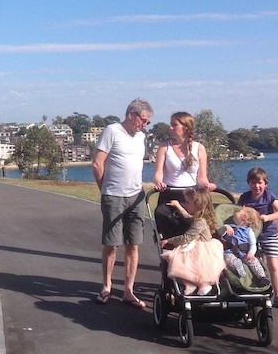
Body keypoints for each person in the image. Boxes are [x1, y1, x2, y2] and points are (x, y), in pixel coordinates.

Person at [91, 98, 152, 307]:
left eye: (147, 122)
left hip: (137, 196)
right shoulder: (112, 131)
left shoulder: (141, 137)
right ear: (131, 115)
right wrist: (105, 190)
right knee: (112, 244)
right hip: (113, 196)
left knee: (133, 244)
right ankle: (107, 286)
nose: (144, 125)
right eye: (143, 120)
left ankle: (128, 290)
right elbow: (97, 163)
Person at [235, 167, 278, 309]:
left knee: (273, 265)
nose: (257, 186)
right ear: (249, 183)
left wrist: (267, 217)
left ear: (265, 183)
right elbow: (237, 214)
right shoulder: (245, 197)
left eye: (260, 183)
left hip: (269, 235)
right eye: (253, 183)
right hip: (250, 237)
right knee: (250, 263)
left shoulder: (269, 196)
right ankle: (252, 289)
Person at [159, 185, 225, 295]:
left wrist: (168, 240)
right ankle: (190, 284)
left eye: (188, 203)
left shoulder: (200, 222)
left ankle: (203, 285)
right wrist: (179, 207)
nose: (186, 205)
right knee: (188, 265)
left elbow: (186, 237)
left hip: (202, 249)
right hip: (197, 246)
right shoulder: (198, 217)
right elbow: (189, 218)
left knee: (183, 262)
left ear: (197, 205)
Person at [153, 111, 215, 206]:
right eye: (171, 124)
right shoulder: (164, 147)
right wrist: (159, 182)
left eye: (174, 125)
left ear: (186, 127)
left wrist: (208, 185)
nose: (171, 128)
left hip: (191, 196)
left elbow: (202, 177)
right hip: (169, 194)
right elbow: (158, 173)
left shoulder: (199, 148)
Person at [219, 206, 269, 284]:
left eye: (239, 211)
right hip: (231, 251)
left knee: (254, 261)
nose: (236, 212)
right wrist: (225, 227)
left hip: (245, 252)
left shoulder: (249, 231)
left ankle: (262, 277)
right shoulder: (230, 228)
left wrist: (251, 253)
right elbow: (219, 233)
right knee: (228, 258)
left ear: (244, 217)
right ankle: (238, 267)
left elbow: (253, 244)